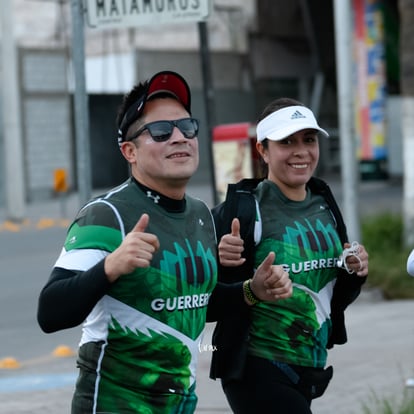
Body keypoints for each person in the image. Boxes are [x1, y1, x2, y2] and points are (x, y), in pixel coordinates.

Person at [36, 70, 292, 414]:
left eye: (187, 128)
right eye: (160, 131)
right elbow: (49, 312)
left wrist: (252, 290)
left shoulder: (201, 215)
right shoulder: (106, 215)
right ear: (129, 151)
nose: (179, 138)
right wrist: (110, 267)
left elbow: (196, 303)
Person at [209, 97, 369, 413]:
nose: (301, 151)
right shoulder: (241, 210)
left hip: (311, 364)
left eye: (308, 139)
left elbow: (335, 297)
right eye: (287, 142)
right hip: (256, 366)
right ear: (263, 150)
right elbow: (202, 300)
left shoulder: (325, 204)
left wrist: (355, 272)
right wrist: (219, 259)